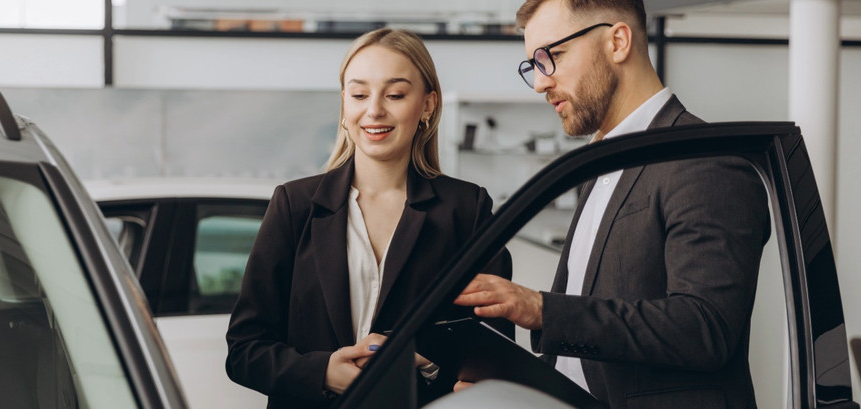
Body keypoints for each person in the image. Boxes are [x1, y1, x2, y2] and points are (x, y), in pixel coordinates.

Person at [452, 0, 771, 408]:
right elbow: (586, 360)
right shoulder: (597, 164)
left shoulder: (707, 162)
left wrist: (542, 310)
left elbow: (704, 329)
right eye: (533, 64)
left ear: (618, 42)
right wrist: (517, 384)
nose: (539, 83)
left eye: (553, 56)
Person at [225, 28, 513, 409]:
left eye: (395, 95)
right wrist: (324, 371)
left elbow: (495, 352)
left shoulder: (467, 209)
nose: (374, 110)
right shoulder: (294, 205)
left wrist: (429, 365)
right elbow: (245, 352)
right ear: (344, 104)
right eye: (359, 94)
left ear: (427, 105)